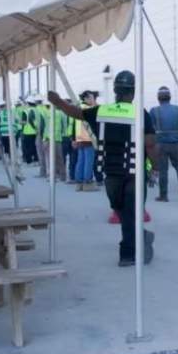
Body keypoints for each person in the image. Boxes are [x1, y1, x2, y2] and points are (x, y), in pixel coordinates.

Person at [49, 70, 156, 267]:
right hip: (134, 172)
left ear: (115, 91)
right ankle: (132, 248)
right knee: (131, 211)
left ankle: (130, 247)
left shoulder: (102, 111)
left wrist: (57, 101)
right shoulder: (141, 113)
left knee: (121, 209)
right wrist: (155, 167)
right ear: (133, 92)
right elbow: (150, 144)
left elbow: (75, 112)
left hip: (111, 172)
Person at [150, 86, 178, 202]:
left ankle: (163, 195)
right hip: (176, 144)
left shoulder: (154, 110)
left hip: (161, 144)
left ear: (158, 98)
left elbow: (152, 127)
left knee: (163, 170)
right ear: (170, 97)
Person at [73, 91, 98, 192]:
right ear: (86, 98)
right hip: (88, 139)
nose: (93, 100)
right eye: (91, 98)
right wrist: (94, 103)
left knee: (80, 161)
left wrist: (74, 139)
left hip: (79, 139)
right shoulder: (89, 109)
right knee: (88, 162)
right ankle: (87, 183)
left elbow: (74, 125)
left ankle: (78, 183)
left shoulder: (78, 108)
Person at [21, 98, 38, 165]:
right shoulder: (37, 110)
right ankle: (36, 159)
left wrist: (20, 122)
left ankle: (29, 160)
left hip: (27, 131)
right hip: (36, 131)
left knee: (27, 147)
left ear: (28, 103)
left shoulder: (26, 111)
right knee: (34, 146)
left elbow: (24, 122)